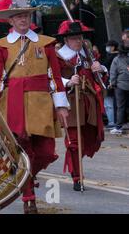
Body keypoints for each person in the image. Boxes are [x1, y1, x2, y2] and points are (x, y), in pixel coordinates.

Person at [0, 0, 69, 214]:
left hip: (41, 102)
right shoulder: (1, 46)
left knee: (46, 152)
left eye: (25, 15)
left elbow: (55, 76)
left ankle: (26, 176)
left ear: (30, 17)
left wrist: (61, 105)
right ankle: (28, 197)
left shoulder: (46, 43)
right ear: (10, 20)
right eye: (17, 16)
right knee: (23, 149)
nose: (22, 19)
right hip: (13, 102)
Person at [56, 20, 105, 190]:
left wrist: (100, 69)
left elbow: (101, 80)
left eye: (80, 37)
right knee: (74, 142)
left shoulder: (88, 55)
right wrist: (68, 81)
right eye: (74, 38)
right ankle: (77, 176)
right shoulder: (58, 57)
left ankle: (77, 165)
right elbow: (51, 79)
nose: (78, 41)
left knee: (89, 138)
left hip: (89, 103)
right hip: (70, 102)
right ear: (66, 40)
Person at [109, 40, 129, 135]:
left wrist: (112, 83)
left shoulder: (116, 59)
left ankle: (118, 127)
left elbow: (113, 73)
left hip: (120, 86)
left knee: (120, 107)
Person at [103, 40, 119, 128]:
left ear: (113, 47)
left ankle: (112, 122)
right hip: (114, 82)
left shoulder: (112, 57)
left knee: (109, 104)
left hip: (110, 81)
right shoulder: (117, 56)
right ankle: (113, 121)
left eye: (109, 46)